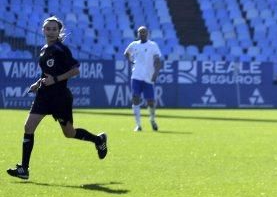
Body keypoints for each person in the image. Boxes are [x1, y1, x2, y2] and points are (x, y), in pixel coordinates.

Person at [6, 16, 107, 180]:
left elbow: (75, 70)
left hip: (60, 98)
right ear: (43, 30)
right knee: (28, 127)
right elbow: (47, 73)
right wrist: (38, 83)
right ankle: (24, 169)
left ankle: (98, 139)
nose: (51, 31)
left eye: (54, 29)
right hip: (44, 95)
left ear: (59, 31)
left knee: (69, 133)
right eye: (48, 28)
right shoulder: (44, 49)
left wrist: (56, 79)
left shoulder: (61, 49)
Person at [124, 26, 162, 131]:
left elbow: (158, 60)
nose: (142, 34)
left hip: (148, 77)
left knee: (150, 101)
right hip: (136, 76)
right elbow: (126, 53)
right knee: (135, 98)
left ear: (148, 34)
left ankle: (152, 119)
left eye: (144, 32)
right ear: (137, 34)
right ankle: (138, 125)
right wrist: (130, 59)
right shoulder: (134, 45)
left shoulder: (152, 45)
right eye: (140, 32)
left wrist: (156, 73)